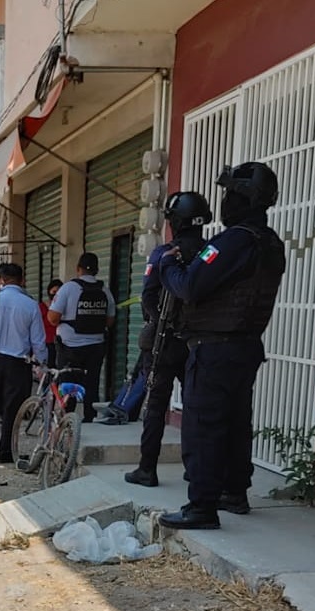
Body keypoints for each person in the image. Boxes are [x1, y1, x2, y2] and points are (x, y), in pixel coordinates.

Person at [156, 162, 286, 530]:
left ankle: (202, 506)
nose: (225, 201)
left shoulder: (232, 241)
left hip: (214, 348)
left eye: (230, 193)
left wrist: (168, 267)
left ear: (244, 198)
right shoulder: (270, 242)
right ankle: (234, 492)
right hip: (246, 347)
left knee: (204, 426)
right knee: (235, 424)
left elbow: (189, 286)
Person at [125, 191, 211, 487]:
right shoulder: (210, 253)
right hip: (198, 343)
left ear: (175, 221)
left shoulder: (165, 254)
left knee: (155, 407)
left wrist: (163, 322)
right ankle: (194, 468)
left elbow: (148, 297)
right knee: (196, 408)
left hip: (164, 343)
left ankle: (147, 468)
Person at [0, 263, 47, 463]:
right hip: (18, 362)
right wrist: (41, 363)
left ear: (0, 280)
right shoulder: (30, 305)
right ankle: (5, 452)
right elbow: (38, 341)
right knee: (13, 408)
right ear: (22, 280)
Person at [48, 252, 116, 422]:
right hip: (96, 347)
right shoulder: (104, 290)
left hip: (69, 347)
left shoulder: (68, 288)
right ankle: (89, 418)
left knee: (68, 384)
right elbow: (109, 321)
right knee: (91, 384)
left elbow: (52, 318)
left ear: (78, 269)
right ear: (97, 270)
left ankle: (67, 420)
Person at [37, 279, 62, 369]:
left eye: (58, 292)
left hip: (61, 343)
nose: (56, 294)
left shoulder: (63, 307)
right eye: (54, 292)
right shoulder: (41, 307)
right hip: (46, 343)